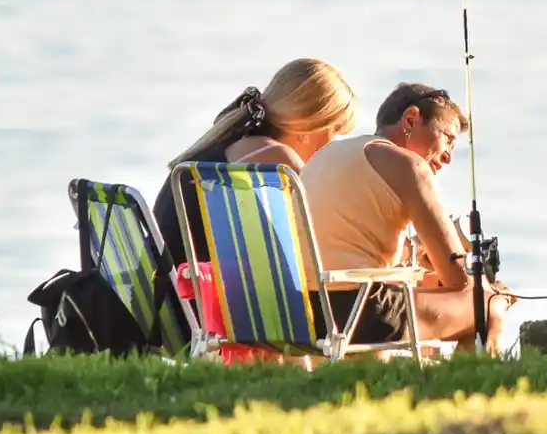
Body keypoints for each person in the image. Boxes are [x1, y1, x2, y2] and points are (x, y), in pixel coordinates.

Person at [300, 82, 516, 353]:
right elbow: (458, 279)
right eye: (447, 138)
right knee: (485, 302)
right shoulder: (408, 166)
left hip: (304, 312)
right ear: (411, 119)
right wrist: (492, 291)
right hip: (360, 313)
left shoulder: (329, 155)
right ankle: (471, 386)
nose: (448, 157)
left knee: (465, 298)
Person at [151, 57, 359, 270]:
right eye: (335, 132)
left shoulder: (226, 145)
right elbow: (326, 240)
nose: (332, 145)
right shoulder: (278, 161)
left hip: (168, 295)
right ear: (312, 125)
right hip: (205, 298)